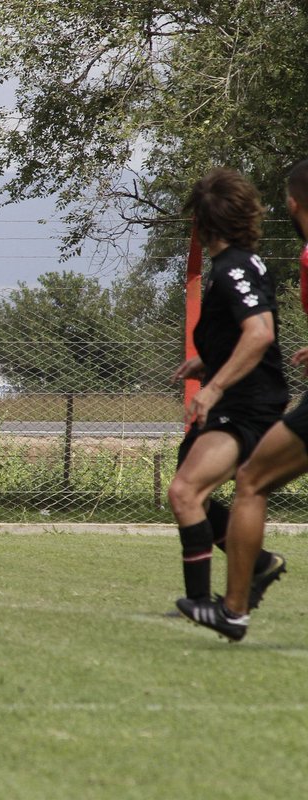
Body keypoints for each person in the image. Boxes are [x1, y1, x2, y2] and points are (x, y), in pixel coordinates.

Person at [178, 160, 308, 641]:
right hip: (247, 399)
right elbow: (244, 334)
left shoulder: (231, 268)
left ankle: (213, 601)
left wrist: (212, 387)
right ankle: (243, 579)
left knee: (190, 491)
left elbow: (258, 333)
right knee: (191, 481)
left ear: (200, 222)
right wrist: (207, 362)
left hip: (246, 405)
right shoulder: (239, 264)